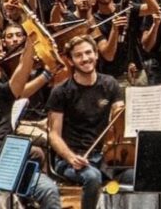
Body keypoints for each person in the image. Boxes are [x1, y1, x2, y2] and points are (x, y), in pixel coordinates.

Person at [47, 35, 132, 209]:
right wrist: (71, 158)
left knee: (136, 176)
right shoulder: (61, 92)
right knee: (92, 178)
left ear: (96, 54)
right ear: (70, 61)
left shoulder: (110, 84)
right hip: (72, 159)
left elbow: (119, 116)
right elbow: (54, 134)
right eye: (79, 55)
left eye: (88, 53)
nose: (85, 58)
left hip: (105, 158)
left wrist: (122, 112)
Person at [0, 38, 61, 209]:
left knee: (49, 190)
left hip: (8, 167)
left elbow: (23, 67)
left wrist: (30, 43)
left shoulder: (3, 93)